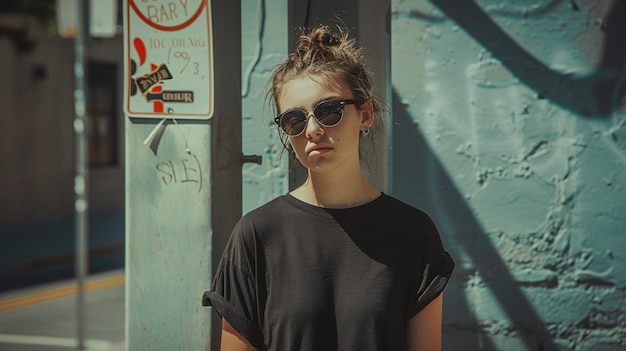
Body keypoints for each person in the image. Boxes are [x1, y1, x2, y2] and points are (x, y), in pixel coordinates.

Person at [202, 24, 455, 351]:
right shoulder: (256, 235)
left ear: (365, 114)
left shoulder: (414, 233)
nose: (312, 129)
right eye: (294, 120)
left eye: (329, 111)